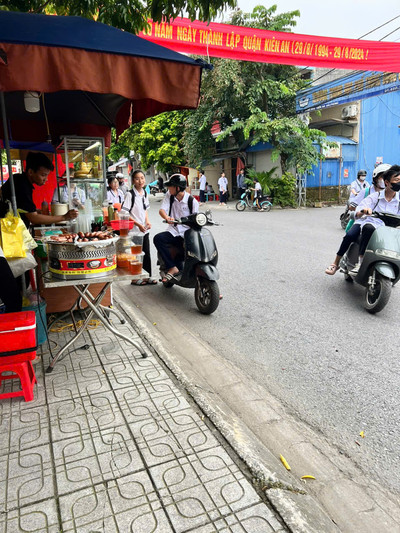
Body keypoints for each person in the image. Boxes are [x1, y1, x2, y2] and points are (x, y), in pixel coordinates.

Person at [325, 165, 399, 275]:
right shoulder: (370, 193)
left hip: (387, 228)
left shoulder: (398, 199)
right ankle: (337, 263)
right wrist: (364, 210)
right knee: (352, 234)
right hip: (366, 221)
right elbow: (356, 207)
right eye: (397, 180)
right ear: (385, 181)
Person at [1, 151, 78, 228]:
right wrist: (64, 217)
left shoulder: (19, 179)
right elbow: (34, 218)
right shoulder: (22, 185)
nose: (46, 179)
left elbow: (23, 208)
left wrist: (34, 210)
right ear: (31, 172)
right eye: (43, 175)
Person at [352, 164, 400, 272]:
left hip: (392, 229)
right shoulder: (376, 196)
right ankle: (361, 261)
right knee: (368, 228)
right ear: (387, 183)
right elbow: (360, 207)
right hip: (375, 226)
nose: (399, 183)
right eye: (396, 180)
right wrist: (364, 210)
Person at [153, 174, 199, 282]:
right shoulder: (170, 195)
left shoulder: (192, 201)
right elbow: (162, 210)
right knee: (158, 238)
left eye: (171, 186)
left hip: (188, 234)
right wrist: (167, 217)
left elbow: (196, 219)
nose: (169, 188)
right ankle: (171, 267)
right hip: (174, 231)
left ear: (177, 188)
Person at [121, 169, 157, 285]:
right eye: (137, 178)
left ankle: (147, 276)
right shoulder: (129, 194)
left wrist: (147, 222)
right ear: (133, 181)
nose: (140, 180)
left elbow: (145, 210)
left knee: (146, 253)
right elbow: (124, 213)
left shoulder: (145, 193)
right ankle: (135, 278)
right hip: (134, 231)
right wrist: (138, 224)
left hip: (144, 230)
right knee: (136, 255)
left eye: (142, 178)